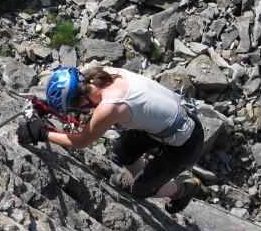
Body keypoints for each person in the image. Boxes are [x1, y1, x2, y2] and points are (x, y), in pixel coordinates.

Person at [16, 66, 204, 214]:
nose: (76, 113)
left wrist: (42, 134)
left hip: (185, 144)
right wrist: (48, 106)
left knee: (140, 191)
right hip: (175, 122)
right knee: (120, 154)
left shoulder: (109, 107)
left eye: (74, 108)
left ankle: (185, 188)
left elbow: (81, 142)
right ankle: (141, 177)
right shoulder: (104, 73)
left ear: (80, 101)